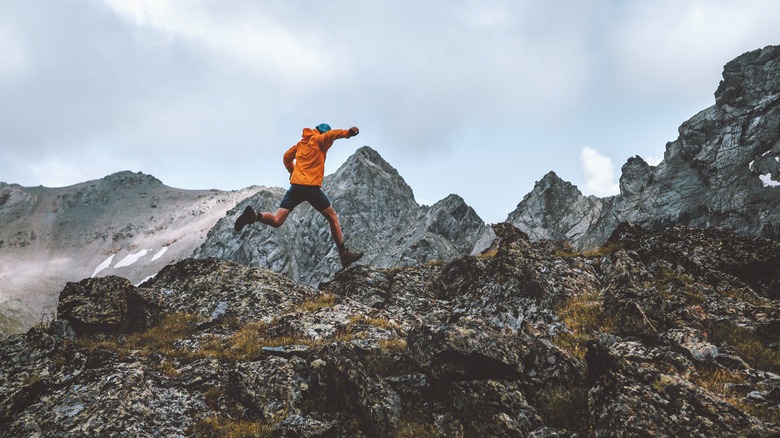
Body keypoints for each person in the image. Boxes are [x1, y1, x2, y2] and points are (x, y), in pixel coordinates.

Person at [234, 123, 364, 269]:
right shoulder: (321, 140)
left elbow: (286, 157)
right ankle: (344, 255)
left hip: (296, 187)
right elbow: (332, 135)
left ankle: (254, 217)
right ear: (322, 133)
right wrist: (348, 133)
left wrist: (293, 171)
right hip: (311, 188)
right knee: (332, 217)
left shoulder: (300, 144)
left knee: (277, 220)